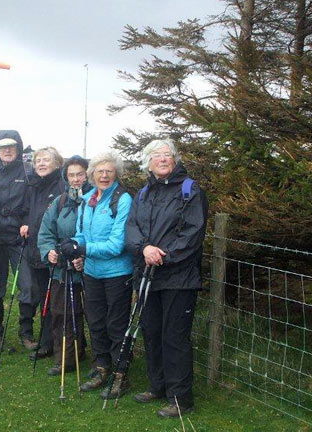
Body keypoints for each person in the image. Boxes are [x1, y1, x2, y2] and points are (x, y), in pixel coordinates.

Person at [125, 138, 207, 417]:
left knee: (175, 337)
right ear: (148, 162)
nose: (162, 159)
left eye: (167, 155)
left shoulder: (190, 190)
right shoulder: (144, 193)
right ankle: (157, 386)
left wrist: (164, 255)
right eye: (156, 156)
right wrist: (145, 249)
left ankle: (180, 398)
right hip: (148, 275)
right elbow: (132, 228)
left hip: (179, 277)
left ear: (175, 160)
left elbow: (193, 233)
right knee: (152, 332)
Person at [60, 151, 133, 399]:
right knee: (96, 322)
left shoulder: (123, 200)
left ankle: (120, 375)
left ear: (116, 174)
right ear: (91, 175)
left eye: (109, 171)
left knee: (116, 325)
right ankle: (101, 368)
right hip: (92, 273)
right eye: (99, 171)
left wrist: (83, 249)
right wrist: (72, 243)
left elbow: (117, 244)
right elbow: (82, 234)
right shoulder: (88, 199)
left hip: (117, 273)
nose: (104, 175)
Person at [0, 130, 36, 351]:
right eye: (2, 147)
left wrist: (28, 223)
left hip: (20, 239)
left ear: (18, 147)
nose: (7, 150)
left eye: (11, 146)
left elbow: (36, 202)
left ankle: (26, 331)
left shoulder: (29, 171)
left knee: (28, 286)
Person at [37, 155, 91, 375]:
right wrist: (48, 251)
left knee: (91, 314)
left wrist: (84, 257)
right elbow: (46, 232)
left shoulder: (96, 201)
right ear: (66, 177)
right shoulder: (59, 202)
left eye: (80, 174)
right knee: (61, 314)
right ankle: (65, 359)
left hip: (89, 270)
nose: (76, 179)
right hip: (62, 270)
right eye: (72, 175)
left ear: (88, 174)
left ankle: (101, 362)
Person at [20, 147, 66, 360]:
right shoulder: (33, 186)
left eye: (46, 160)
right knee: (45, 299)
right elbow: (28, 213)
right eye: (38, 160)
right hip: (35, 252)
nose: (41, 163)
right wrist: (25, 224)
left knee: (58, 301)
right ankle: (47, 342)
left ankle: (61, 346)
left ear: (57, 163)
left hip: (55, 253)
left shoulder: (61, 186)